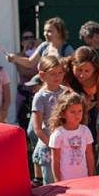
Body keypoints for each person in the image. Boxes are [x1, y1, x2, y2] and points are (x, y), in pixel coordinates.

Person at [30, 56, 67, 186]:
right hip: (48, 145)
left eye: (60, 73)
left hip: (65, 143)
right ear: (42, 75)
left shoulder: (66, 92)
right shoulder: (40, 97)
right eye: (52, 74)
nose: (57, 76)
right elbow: (37, 129)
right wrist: (52, 145)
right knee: (51, 183)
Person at [63, 46, 99, 141]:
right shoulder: (64, 68)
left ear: (95, 69)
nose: (82, 75)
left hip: (91, 108)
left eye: (87, 71)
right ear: (72, 65)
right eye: (79, 70)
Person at [49, 91, 95, 181]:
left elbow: (89, 155)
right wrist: (58, 181)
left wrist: (91, 176)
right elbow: (55, 160)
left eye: (80, 111)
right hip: (66, 181)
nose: (77, 115)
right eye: (72, 112)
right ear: (63, 113)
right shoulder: (58, 134)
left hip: (84, 179)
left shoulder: (85, 131)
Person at [7, 18, 74, 70]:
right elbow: (30, 63)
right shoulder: (44, 46)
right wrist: (14, 58)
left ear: (60, 32)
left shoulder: (67, 49)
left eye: (49, 31)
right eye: (44, 31)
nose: (45, 34)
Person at [11, 30, 40, 130]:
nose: (29, 40)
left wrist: (39, 48)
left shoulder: (39, 55)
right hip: (23, 93)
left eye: (32, 37)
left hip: (37, 92)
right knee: (22, 122)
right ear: (22, 42)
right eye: (26, 38)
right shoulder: (18, 56)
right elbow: (23, 72)